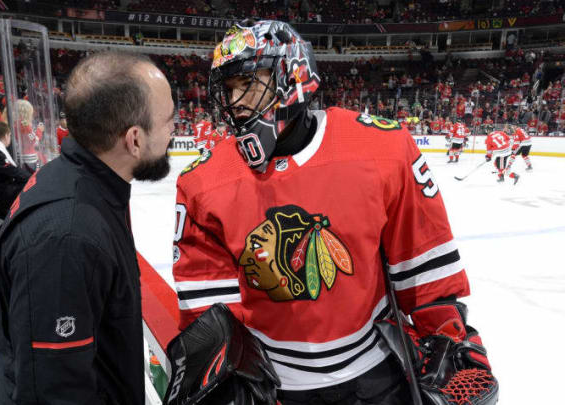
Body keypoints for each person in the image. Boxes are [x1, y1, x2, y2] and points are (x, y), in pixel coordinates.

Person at [173, 20, 496, 404]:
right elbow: (209, 311)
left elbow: (424, 271)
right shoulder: (203, 182)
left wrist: (449, 338)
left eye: (248, 83)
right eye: (228, 90)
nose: (236, 101)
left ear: (291, 76)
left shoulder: (383, 148)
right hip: (274, 386)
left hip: (377, 375)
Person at [0, 51, 174, 405]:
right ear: (134, 139)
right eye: (168, 121)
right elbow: (55, 392)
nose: (173, 131)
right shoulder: (68, 236)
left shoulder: (82, 185)